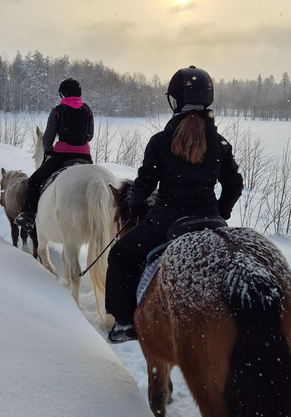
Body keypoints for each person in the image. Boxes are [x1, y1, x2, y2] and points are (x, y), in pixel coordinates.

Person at [104, 66, 244, 343]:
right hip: (211, 222)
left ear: (175, 100)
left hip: (167, 220)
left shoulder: (160, 142)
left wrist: (133, 205)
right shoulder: (221, 145)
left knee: (121, 255)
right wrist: (220, 213)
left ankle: (123, 324)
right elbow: (234, 185)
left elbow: (144, 185)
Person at [13, 78, 95, 230]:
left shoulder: (58, 111)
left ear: (63, 94)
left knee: (34, 181)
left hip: (62, 156)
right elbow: (89, 136)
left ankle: (29, 217)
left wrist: (49, 149)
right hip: (85, 157)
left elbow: (47, 140)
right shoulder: (87, 110)